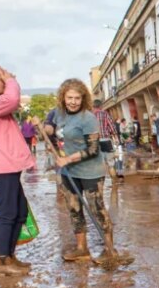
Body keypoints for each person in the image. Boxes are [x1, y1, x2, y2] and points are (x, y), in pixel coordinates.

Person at [43, 79, 117, 262]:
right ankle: (82, 248)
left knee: (97, 209)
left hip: (91, 171)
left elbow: (93, 150)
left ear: (83, 99)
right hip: (69, 172)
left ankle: (110, 250)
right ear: (63, 97)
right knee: (74, 209)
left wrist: (68, 158)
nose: (73, 101)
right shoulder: (59, 114)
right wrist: (44, 130)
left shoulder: (88, 118)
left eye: (77, 98)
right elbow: (52, 131)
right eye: (70, 97)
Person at [0, 64, 36, 275]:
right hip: (2, 164)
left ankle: (10, 256)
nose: (4, 81)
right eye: (0, 78)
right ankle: (2, 261)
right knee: (7, 213)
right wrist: (12, 81)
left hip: (9, 163)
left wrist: (7, 82)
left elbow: (10, 102)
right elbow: (13, 99)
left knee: (20, 210)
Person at [92, 99, 120, 179]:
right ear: (101, 106)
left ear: (93, 106)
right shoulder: (105, 114)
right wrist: (116, 138)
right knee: (111, 164)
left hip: (95, 142)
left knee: (98, 165)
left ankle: (100, 189)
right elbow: (112, 127)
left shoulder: (90, 116)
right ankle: (115, 186)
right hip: (106, 140)